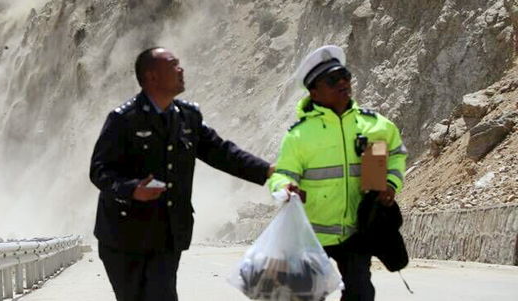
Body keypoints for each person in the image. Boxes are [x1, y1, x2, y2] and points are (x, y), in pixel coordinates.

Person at [90, 47, 274, 301]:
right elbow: (99, 170)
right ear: (151, 76)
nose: (181, 69)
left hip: (166, 234)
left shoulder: (188, 117)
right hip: (123, 238)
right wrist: (132, 189)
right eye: (173, 64)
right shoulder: (124, 119)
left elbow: (222, 153)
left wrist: (266, 171)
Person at [268, 45, 408, 301]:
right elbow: (282, 173)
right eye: (333, 80)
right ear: (314, 92)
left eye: (345, 75)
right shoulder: (298, 135)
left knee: (361, 294)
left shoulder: (375, 124)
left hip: (356, 231)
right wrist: (285, 188)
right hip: (312, 234)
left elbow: (397, 155)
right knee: (307, 296)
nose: (343, 82)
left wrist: (390, 183)